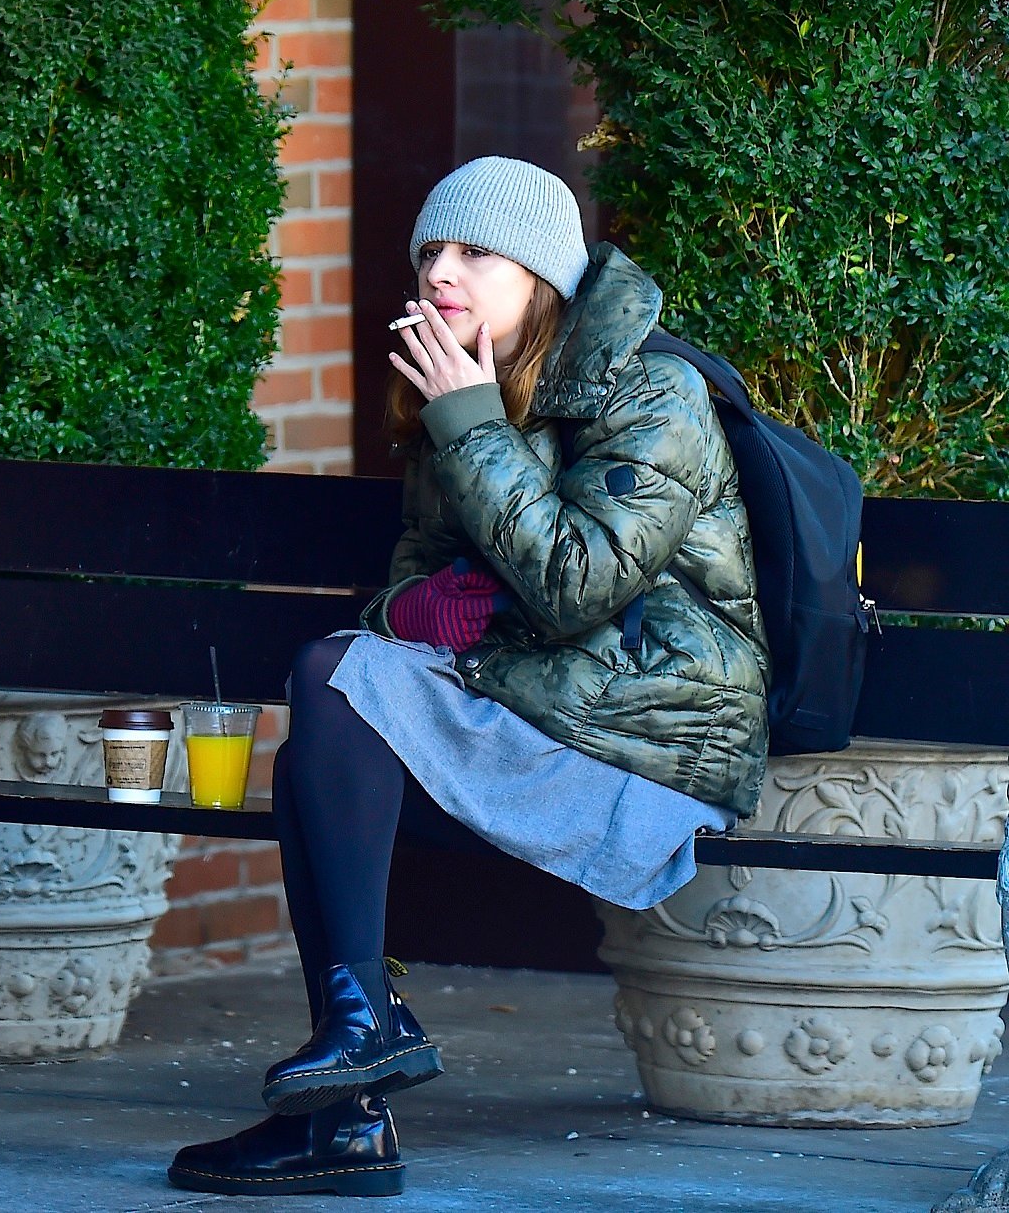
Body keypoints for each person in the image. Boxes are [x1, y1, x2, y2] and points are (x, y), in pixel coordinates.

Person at [169, 156, 769, 1197]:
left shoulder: (651, 390)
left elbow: (574, 585)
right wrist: (419, 607)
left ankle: (350, 1091)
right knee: (331, 704)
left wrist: (472, 426)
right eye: (429, 253)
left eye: (473, 253)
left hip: (647, 736)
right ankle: (351, 1073)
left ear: (540, 276)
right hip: (534, 700)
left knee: (331, 683)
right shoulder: (466, 378)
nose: (440, 270)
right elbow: (410, 585)